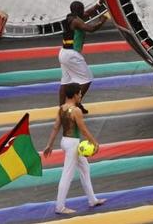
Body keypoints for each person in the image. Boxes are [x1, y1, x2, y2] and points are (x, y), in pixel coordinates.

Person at [43, 83, 106, 215]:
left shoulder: (61, 109)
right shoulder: (76, 111)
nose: (81, 96)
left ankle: (92, 200)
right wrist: (94, 142)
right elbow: (83, 129)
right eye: (80, 94)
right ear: (75, 94)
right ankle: (59, 206)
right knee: (67, 175)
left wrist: (49, 145)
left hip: (66, 142)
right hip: (73, 144)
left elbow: (56, 127)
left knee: (85, 168)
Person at [59, 1, 108, 114]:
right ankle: (74, 103)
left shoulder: (70, 17)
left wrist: (100, 3)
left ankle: (62, 107)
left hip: (63, 52)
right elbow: (91, 29)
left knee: (65, 81)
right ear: (79, 10)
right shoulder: (76, 21)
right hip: (72, 54)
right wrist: (103, 19)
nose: (84, 11)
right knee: (87, 79)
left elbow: (89, 13)